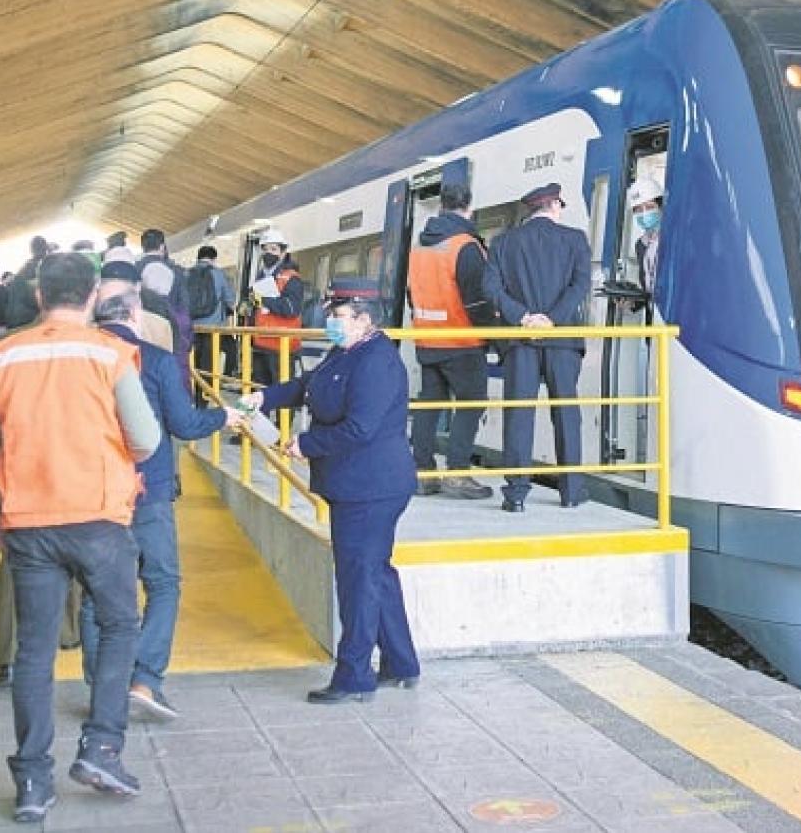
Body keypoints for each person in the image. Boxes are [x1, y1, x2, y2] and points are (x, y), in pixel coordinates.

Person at [0, 252, 161, 823]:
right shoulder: (110, 353)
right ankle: (101, 749)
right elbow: (145, 438)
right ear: (94, 295)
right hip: (99, 519)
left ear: (41, 295)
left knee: (34, 651)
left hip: (29, 525)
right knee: (120, 624)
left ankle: (31, 781)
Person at [78, 262, 239, 720]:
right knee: (163, 583)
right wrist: (224, 418)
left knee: (97, 592)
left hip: (92, 491)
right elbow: (185, 425)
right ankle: (145, 680)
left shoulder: (81, 358)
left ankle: (102, 688)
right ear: (133, 316)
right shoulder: (157, 358)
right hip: (147, 491)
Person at [246, 293, 418, 703]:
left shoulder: (376, 360)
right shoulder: (347, 352)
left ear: (363, 319)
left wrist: (307, 443)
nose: (331, 323)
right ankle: (400, 663)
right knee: (375, 572)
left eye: (339, 316)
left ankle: (354, 677)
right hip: (359, 484)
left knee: (358, 580)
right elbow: (310, 386)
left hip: (371, 488)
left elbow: (360, 427)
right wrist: (264, 398)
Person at [483, 183, 591, 512]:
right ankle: (571, 490)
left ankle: (516, 494)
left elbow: (490, 287)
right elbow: (580, 285)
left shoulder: (503, 243)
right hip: (562, 341)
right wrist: (552, 320)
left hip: (520, 341)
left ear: (530, 210)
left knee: (519, 414)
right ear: (555, 205)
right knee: (566, 412)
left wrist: (523, 317)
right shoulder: (575, 240)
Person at [406, 182, 495, 499]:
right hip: (462, 342)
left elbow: (410, 295)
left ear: (441, 206)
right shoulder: (464, 246)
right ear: (469, 207)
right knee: (470, 405)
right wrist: (495, 337)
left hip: (427, 341)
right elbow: (477, 301)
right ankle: (457, 473)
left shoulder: (420, 246)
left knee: (429, 405)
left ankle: (422, 473)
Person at [248, 229, 304, 388]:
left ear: (283, 252)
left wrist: (264, 300)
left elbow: (291, 309)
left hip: (282, 347)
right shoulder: (261, 277)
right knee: (259, 394)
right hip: (260, 344)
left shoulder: (292, 278)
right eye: (265, 249)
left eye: (273, 249)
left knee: (283, 398)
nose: (268, 253)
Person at [137, 228, 193, 382]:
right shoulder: (176, 271)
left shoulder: (134, 270)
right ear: (162, 247)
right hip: (170, 335)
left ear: (143, 247)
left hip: (141, 334)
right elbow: (184, 308)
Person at [187, 245, 238, 400]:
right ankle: (204, 399)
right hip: (213, 329)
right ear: (214, 259)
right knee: (208, 366)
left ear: (198, 257)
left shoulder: (186, 274)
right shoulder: (219, 274)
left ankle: (192, 396)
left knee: (193, 364)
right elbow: (231, 302)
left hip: (191, 328)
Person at [627, 176, 665, 295]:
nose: (644, 213)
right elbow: (648, 290)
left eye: (649, 207)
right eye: (638, 209)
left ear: (661, 206)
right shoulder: (640, 245)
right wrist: (633, 302)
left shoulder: (674, 239)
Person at [5, 236, 53, 329]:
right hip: (33, 321)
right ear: (46, 247)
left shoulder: (25, 268)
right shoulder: (47, 267)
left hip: (17, 321)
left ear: (31, 249)